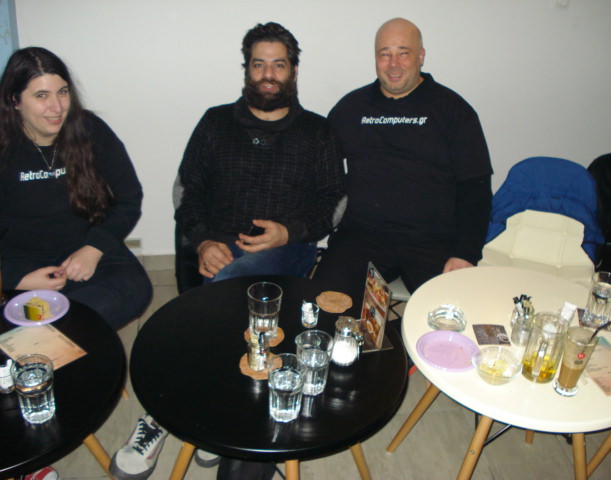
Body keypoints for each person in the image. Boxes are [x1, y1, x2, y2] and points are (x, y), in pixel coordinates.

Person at [111, 22, 346, 480]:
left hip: (288, 251)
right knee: (220, 297)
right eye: (259, 64)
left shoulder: (318, 132)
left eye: (279, 65)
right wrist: (202, 240)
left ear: (294, 71)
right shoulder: (215, 122)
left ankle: (173, 413)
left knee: (220, 297)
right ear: (246, 70)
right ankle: (201, 410)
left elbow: (333, 204)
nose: (268, 75)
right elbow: (187, 191)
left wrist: (288, 232)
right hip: (215, 246)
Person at [0, 47, 152, 480]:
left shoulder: (90, 130)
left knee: (136, 290)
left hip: (88, 249)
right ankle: (25, 447)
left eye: (63, 92)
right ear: (15, 101)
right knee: (54, 328)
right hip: (22, 263)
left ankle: (50, 354)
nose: (56, 107)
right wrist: (17, 277)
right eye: (41, 95)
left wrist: (94, 248)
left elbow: (129, 199)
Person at [313, 18, 493, 305]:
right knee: (322, 308)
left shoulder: (453, 110)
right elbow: (319, 172)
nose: (393, 64)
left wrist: (465, 253)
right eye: (384, 54)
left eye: (403, 53)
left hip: (433, 242)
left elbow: (476, 188)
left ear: (421, 56)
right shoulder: (351, 108)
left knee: (453, 318)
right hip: (361, 237)